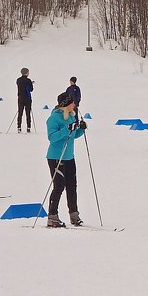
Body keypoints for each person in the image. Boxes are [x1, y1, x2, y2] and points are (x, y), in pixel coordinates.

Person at [45, 91, 87, 228]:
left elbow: (73, 136)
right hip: (56, 157)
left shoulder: (70, 117)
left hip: (69, 156)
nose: (75, 104)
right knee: (59, 186)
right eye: (73, 102)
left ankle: (74, 214)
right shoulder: (53, 119)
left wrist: (80, 129)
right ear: (66, 104)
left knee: (71, 186)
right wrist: (67, 129)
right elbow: (52, 137)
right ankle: (52, 216)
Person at [16, 68, 34, 133]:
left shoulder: (18, 80)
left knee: (20, 113)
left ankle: (19, 127)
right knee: (28, 113)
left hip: (20, 98)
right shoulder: (28, 80)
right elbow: (31, 89)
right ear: (26, 73)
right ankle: (28, 127)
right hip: (27, 98)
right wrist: (31, 84)